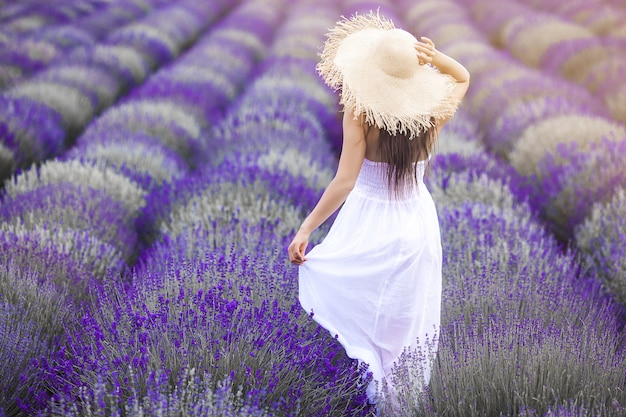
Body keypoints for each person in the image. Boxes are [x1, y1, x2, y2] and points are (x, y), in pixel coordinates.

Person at [287, 11, 470, 407]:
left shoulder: (361, 114)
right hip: (416, 224)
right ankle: (398, 404)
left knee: (369, 316)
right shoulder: (430, 115)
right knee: (406, 321)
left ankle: (367, 396)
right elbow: (463, 77)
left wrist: (306, 229)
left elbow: (344, 182)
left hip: (370, 223)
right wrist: (435, 59)